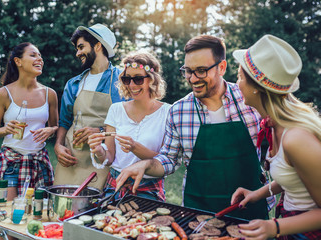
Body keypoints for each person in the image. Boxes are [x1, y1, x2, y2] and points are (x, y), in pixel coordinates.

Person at [116, 35, 269, 220]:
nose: (193, 78)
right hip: (200, 212)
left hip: (252, 208)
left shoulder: (249, 99)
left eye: (201, 71)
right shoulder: (179, 111)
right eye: (188, 71)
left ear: (221, 67)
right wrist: (146, 164)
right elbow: (169, 159)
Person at [230, 35, 321, 239]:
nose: (237, 84)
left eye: (240, 76)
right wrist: (258, 193)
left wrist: (275, 227)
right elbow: (297, 176)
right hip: (293, 228)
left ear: (256, 86)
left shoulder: (296, 138)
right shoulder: (274, 123)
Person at [88, 52, 170, 201]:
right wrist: (99, 151)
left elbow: (166, 161)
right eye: (127, 79)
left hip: (149, 188)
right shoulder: (116, 109)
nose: (132, 85)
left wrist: (134, 147)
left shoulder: (168, 113)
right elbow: (110, 158)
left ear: (152, 80)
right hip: (116, 186)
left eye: (138, 79)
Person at [54, 23, 124, 190]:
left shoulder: (122, 81)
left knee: (97, 212)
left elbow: (130, 123)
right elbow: (64, 121)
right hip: (72, 160)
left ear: (98, 45)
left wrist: (101, 132)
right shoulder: (73, 83)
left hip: (103, 160)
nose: (77, 53)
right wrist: (58, 145)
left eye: (81, 47)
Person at [0, 42, 58, 203]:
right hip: (12, 162)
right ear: (18, 61)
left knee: (38, 213)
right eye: (33, 55)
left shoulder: (50, 94)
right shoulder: (3, 94)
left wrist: (51, 130)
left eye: (40, 55)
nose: (39, 58)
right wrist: (6, 129)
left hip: (39, 162)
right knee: (8, 212)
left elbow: (56, 126)